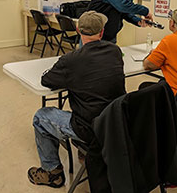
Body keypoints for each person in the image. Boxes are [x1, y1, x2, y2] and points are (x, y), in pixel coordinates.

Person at [27, 10, 126, 188]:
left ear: (78, 31)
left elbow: (46, 80)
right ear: (102, 32)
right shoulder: (115, 51)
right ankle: (84, 156)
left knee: (40, 117)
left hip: (89, 128)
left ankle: (52, 172)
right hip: (115, 122)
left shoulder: (71, 60)